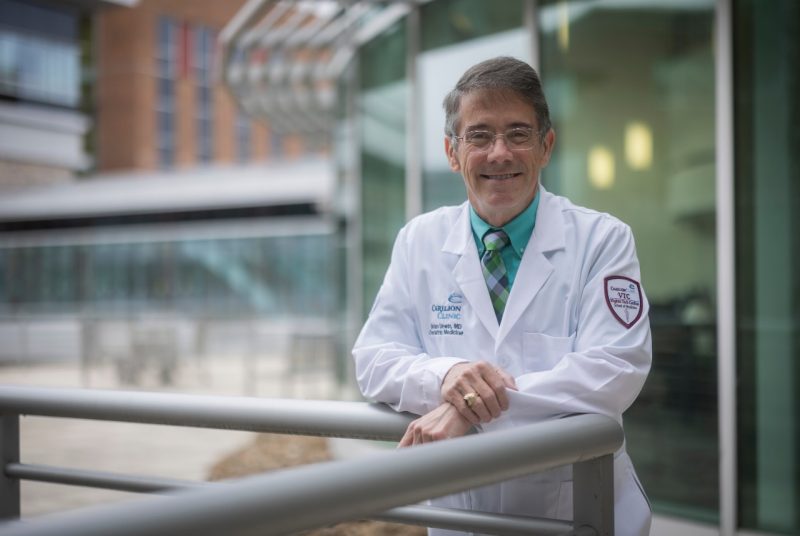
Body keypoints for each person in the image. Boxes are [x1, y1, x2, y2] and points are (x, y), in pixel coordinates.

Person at [352, 56, 651, 536]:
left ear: (546, 145)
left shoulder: (603, 240)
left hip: (578, 512)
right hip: (458, 517)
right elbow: (373, 358)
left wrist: (468, 406)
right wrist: (445, 374)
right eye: (479, 135)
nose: (499, 153)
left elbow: (614, 369)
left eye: (518, 133)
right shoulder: (419, 240)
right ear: (452, 152)